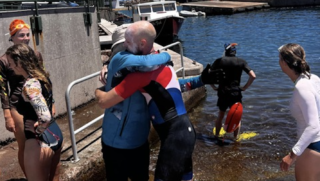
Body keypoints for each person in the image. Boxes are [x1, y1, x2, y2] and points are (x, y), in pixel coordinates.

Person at [96, 21, 201, 181]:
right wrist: (164, 55)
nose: (124, 50)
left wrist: (199, 80)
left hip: (148, 141)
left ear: (142, 43)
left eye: (127, 43)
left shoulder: (141, 73)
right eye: (121, 47)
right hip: (181, 133)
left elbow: (166, 87)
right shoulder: (159, 65)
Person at [0, 19, 55, 176]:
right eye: (21, 35)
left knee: (43, 141)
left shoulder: (36, 54)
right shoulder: (4, 60)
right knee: (24, 143)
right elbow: (2, 89)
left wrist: (52, 102)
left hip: (38, 103)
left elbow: (44, 78)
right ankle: (30, 176)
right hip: (18, 106)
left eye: (27, 35)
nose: (25, 38)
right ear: (12, 37)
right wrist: (7, 115)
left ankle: (41, 172)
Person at [5, 43, 63, 181]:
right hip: (55, 134)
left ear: (19, 62)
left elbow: (45, 116)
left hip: (38, 141)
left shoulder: (30, 86)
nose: (10, 66)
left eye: (11, 62)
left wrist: (38, 130)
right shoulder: (43, 76)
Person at [278, 43, 320, 180]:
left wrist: (292, 155)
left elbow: (313, 126)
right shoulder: (313, 79)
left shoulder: (302, 88)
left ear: (284, 62)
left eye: (279, 59)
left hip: (312, 146)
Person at [210, 43, 256, 140]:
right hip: (235, 93)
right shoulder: (241, 61)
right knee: (236, 116)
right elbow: (253, 76)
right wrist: (244, 87)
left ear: (225, 51)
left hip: (222, 92)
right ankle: (236, 138)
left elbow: (208, 74)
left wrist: (213, 86)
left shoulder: (219, 61)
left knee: (220, 115)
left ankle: (216, 136)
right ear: (234, 51)